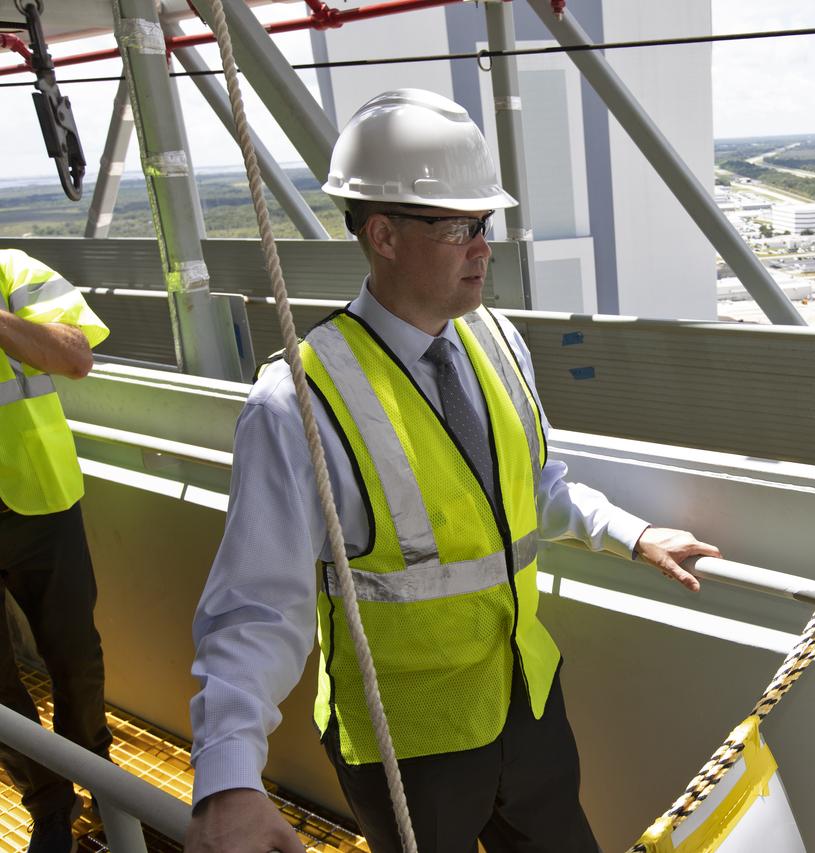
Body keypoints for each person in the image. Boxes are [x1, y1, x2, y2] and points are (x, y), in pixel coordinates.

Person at [184, 89, 720, 853]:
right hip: (410, 744)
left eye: (486, 224)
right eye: (461, 226)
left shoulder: (497, 342)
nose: (484, 247)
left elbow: (530, 488)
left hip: (525, 702)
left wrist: (632, 533)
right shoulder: (297, 403)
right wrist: (229, 776)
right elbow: (255, 610)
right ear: (384, 235)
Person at [0, 248, 112, 853]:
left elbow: (74, 358)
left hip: (40, 500)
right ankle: (48, 805)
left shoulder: (13, 271)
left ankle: (99, 779)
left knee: (74, 660)